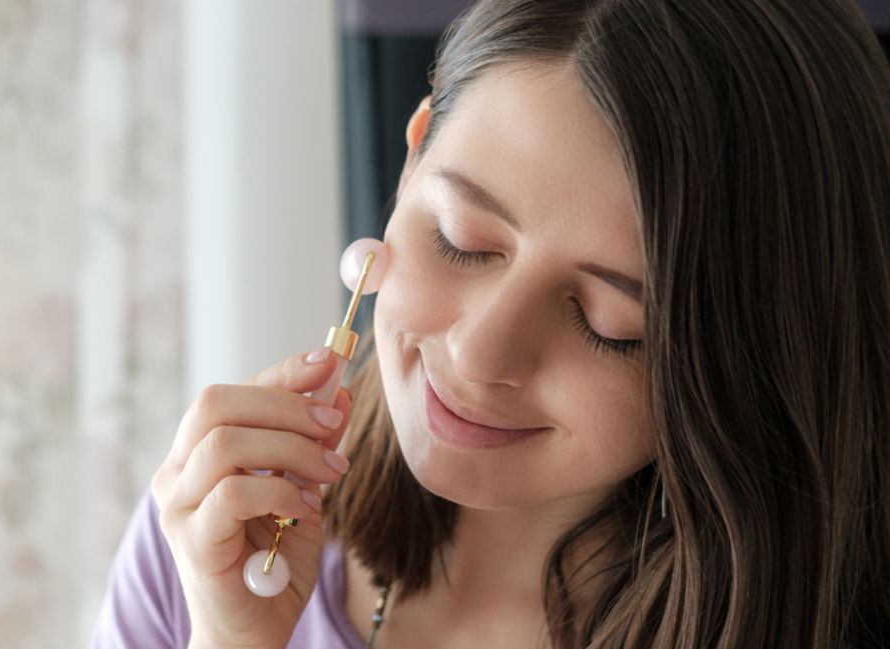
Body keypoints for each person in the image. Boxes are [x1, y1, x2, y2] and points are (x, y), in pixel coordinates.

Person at [92, 0, 890, 647]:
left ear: (753, 359)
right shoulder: (215, 530)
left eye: (610, 323)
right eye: (462, 240)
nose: (479, 351)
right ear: (412, 160)